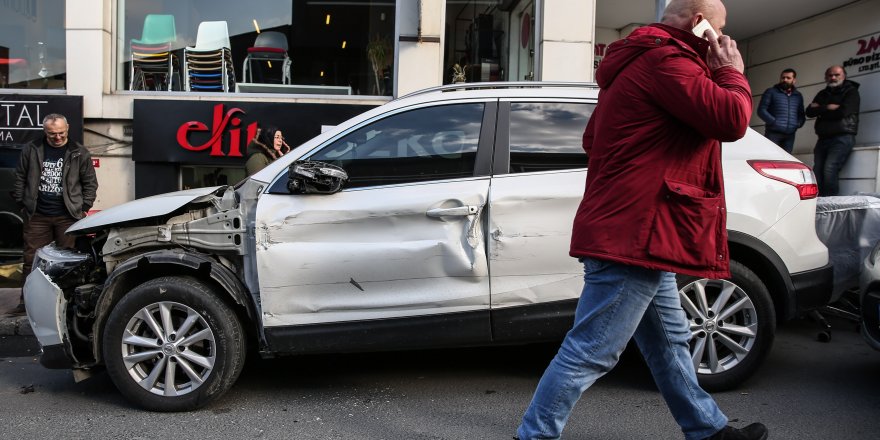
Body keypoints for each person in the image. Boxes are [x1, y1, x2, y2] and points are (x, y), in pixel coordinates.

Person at [516, 1, 768, 439]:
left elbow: (593, 140)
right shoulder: (668, 61)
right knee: (592, 350)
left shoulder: (640, 63)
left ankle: (709, 430)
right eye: (720, 31)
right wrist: (731, 70)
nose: (724, 42)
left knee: (670, 344)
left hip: (644, 231)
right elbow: (731, 118)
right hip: (637, 234)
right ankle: (534, 435)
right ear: (700, 24)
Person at [12, 113, 98, 313]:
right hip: (37, 215)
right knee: (32, 259)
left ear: (67, 128)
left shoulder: (79, 152)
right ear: (45, 132)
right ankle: (27, 303)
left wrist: (83, 207)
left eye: (60, 133)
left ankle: (65, 303)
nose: (57, 137)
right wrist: (23, 204)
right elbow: (20, 178)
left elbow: (90, 183)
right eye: (52, 134)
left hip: (67, 216)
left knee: (67, 262)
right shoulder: (32, 149)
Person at [806, 65, 860, 196]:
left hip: (842, 137)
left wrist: (821, 109)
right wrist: (828, 107)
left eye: (837, 74)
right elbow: (809, 111)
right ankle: (818, 204)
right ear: (826, 77)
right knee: (817, 171)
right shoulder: (823, 93)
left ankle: (830, 205)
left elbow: (843, 112)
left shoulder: (851, 92)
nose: (833, 77)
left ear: (844, 76)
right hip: (823, 138)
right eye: (830, 75)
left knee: (829, 170)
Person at [757, 68, 805, 153]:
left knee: (786, 162)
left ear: (794, 80)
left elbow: (801, 114)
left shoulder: (798, 96)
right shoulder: (771, 92)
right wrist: (774, 122)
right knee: (769, 158)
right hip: (773, 133)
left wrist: (797, 124)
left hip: (790, 135)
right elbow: (761, 110)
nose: (785, 80)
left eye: (788, 78)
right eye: (783, 77)